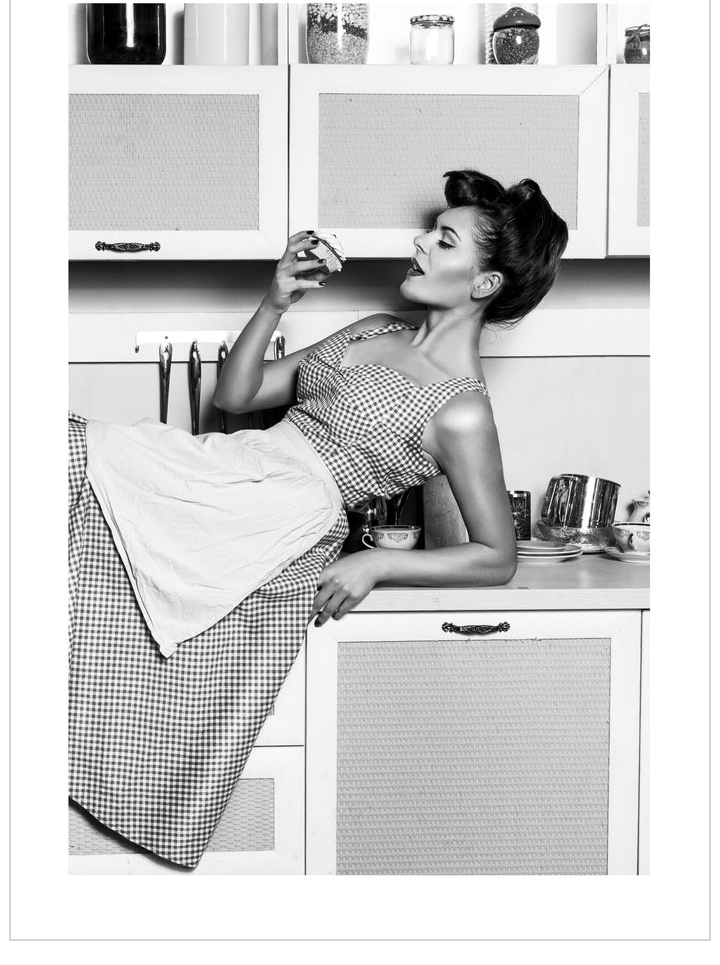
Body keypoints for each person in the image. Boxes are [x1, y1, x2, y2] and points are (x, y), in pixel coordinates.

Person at [68, 168, 568, 868]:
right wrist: (277, 300)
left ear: (484, 283)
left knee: (66, 457)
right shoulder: (374, 327)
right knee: (64, 448)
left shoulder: (462, 407)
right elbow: (240, 396)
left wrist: (377, 560)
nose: (421, 242)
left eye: (444, 238)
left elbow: (496, 554)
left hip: (286, 513)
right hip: (239, 463)